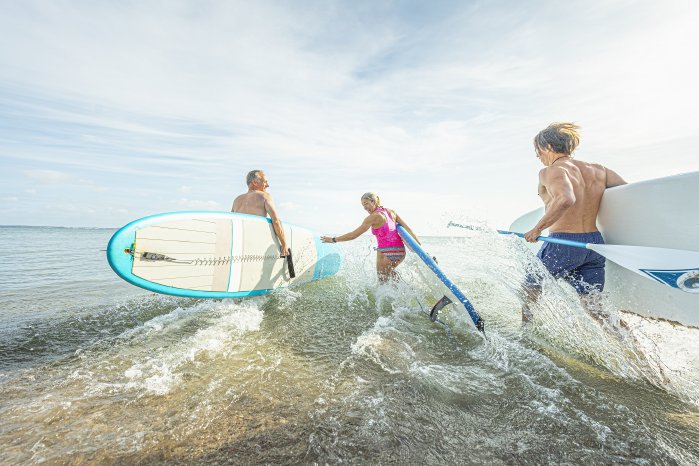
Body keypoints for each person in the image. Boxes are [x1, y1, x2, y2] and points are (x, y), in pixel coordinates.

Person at [522, 122, 627, 320]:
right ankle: (631, 347)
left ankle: (526, 337)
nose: (538, 157)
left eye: (538, 151)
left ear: (549, 147)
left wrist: (537, 229)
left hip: (563, 243)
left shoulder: (552, 171)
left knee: (530, 289)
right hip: (594, 244)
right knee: (595, 308)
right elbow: (627, 192)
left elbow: (566, 199)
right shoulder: (599, 170)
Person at [321, 192, 420, 282]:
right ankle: (405, 292)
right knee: (390, 273)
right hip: (400, 252)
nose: (364, 207)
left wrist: (333, 239)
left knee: (383, 282)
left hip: (386, 252)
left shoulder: (373, 217)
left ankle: (391, 299)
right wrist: (419, 245)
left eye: (366, 203)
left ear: (373, 201)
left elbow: (353, 235)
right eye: (363, 205)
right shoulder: (391, 212)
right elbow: (408, 229)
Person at [232, 170, 289, 257]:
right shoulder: (264, 196)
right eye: (265, 182)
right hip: (256, 243)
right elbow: (276, 221)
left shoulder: (237, 200)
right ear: (255, 182)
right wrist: (284, 245)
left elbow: (232, 221)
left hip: (239, 243)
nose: (268, 185)